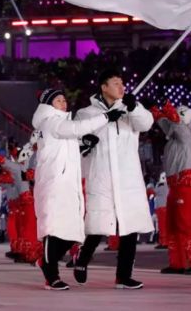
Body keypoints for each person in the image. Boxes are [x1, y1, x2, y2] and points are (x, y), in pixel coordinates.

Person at [29, 88, 121, 290]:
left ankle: (47, 262)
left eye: (64, 99)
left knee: (70, 232)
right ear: (47, 105)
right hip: (54, 185)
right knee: (53, 231)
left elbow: (66, 149)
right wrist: (105, 117)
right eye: (59, 100)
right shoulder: (51, 121)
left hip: (67, 185)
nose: (64, 103)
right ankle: (51, 275)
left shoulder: (59, 124)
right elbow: (77, 128)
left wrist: (83, 145)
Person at [72, 69, 154, 290]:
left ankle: (124, 276)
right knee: (99, 223)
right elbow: (77, 140)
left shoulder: (130, 109)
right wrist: (87, 140)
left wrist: (134, 107)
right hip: (101, 174)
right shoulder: (86, 113)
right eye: (116, 83)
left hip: (127, 176)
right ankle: (82, 259)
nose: (121, 87)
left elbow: (146, 124)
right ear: (104, 87)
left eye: (122, 83)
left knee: (129, 225)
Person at [154, 103, 191, 275]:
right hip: (174, 183)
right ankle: (177, 263)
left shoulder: (189, 133)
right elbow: (170, 127)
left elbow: (180, 131)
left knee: (184, 224)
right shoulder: (175, 134)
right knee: (172, 225)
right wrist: (159, 116)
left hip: (185, 182)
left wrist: (171, 117)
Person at [154, 172, 169, 249]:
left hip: (162, 208)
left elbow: (155, 192)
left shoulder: (161, 185)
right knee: (163, 226)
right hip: (164, 207)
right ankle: (163, 242)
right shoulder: (168, 185)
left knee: (162, 226)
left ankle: (164, 242)